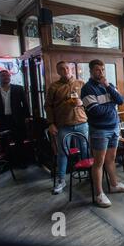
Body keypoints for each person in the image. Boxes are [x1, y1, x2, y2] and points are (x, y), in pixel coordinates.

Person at [81, 59, 124, 208]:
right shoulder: (87, 89)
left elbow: (120, 100)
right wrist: (111, 106)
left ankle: (114, 185)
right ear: (91, 71)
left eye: (103, 69)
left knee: (111, 158)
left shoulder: (108, 85)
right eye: (97, 70)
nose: (101, 72)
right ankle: (98, 194)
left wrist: (108, 86)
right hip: (100, 130)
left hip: (114, 127)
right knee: (99, 162)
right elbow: (95, 111)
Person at [44, 61, 88, 195]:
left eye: (67, 68)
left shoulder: (81, 84)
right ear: (58, 72)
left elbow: (89, 100)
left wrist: (82, 102)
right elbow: (48, 106)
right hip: (63, 125)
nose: (65, 70)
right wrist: (51, 123)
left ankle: (88, 175)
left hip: (81, 122)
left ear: (72, 69)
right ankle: (61, 180)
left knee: (86, 149)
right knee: (62, 152)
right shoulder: (54, 87)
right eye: (62, 69)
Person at [0, 69, 30, 168]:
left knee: (19, 141)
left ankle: (21, 162)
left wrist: (27, 117)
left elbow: (25, 104)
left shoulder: (18, 88)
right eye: (3, 76)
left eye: (7, 76)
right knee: (4, 143)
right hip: (1, 121)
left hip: (17, 119)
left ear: (10, 77)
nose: (6, 77)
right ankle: (8, 164)